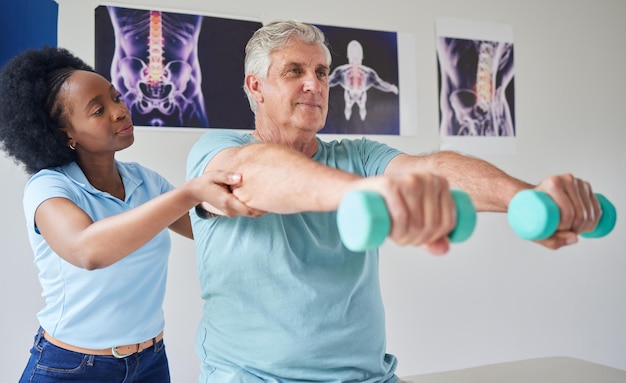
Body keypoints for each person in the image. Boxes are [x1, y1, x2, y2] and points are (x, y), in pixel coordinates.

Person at [186, 20, 601, 383]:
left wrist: (527, 198)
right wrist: (363, 194)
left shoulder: (358, 155)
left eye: (321, 71)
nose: (314, 84)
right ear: (255, 86)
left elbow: (432, 170)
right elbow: (256, 175)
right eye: (294, 71)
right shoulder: (217, 150)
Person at [0, 46, 259, 383]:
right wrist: (189, 192)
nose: (120, 111)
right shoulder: (49, 188)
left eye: (116, 98)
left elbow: (205, 229)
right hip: (71, 368)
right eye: (98, 110)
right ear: (66, 134)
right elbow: (87, 250)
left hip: (149, 364)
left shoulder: (145, 181)